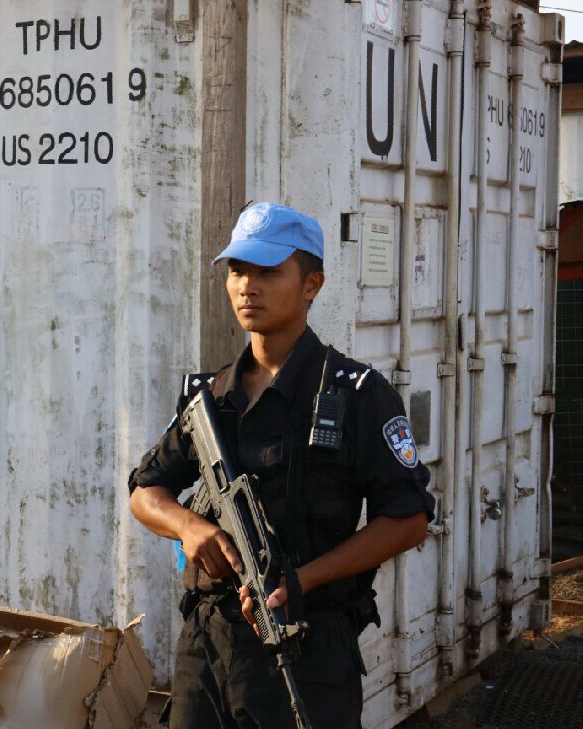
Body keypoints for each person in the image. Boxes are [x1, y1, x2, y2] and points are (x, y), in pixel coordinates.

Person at [127, 202, 435, 729]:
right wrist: (190, 528)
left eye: (268, 272)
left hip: (306, 647)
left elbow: (407, 519)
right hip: (206, 647)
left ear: (311, 284)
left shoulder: (357, 395)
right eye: (238, 270)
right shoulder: (210, 397)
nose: (248, 286)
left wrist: (305, 579)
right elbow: (145, 492)